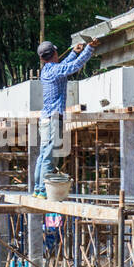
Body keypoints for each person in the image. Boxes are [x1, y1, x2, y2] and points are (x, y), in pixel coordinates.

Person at [35, 38, 97, 196]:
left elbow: (63, 66)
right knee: (50, 155)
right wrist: (89, 49)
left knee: (43, 155)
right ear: (55, 53)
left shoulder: (47, 70)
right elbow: (73, 67)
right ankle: (43, 190)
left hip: (46, 119)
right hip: (54, 119)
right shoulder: (55, 71)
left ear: (42, 58)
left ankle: (37, 188)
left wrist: (74, 52)